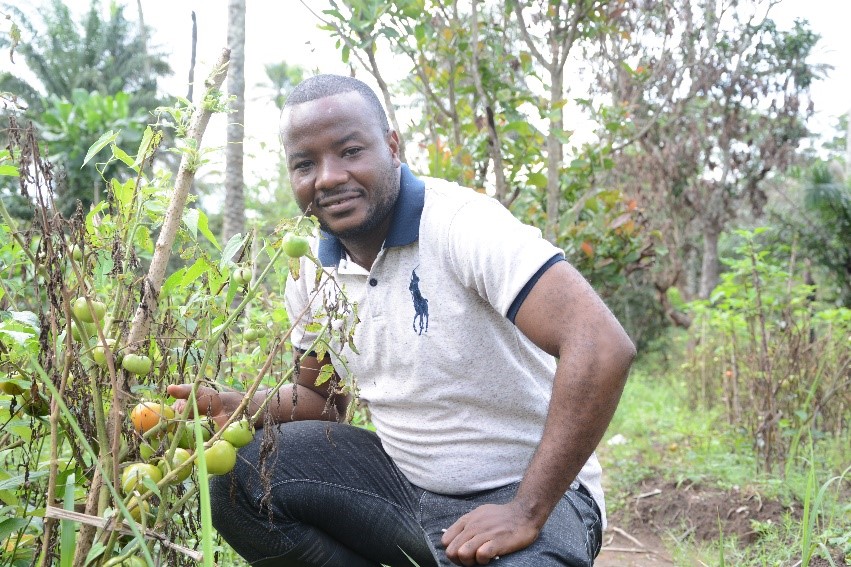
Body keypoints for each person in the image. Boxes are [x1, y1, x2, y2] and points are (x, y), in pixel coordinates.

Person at [168, 74, 635, 567]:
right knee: (241, 480)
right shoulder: (309, 267)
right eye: (305, 164)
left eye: (349, 151)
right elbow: (323, 402)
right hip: (403, 492)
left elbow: (601, 344)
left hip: (534, 492)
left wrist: (525, 509)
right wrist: (237, 404)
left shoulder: (461, 225)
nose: (327, 177)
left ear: (392, 147)